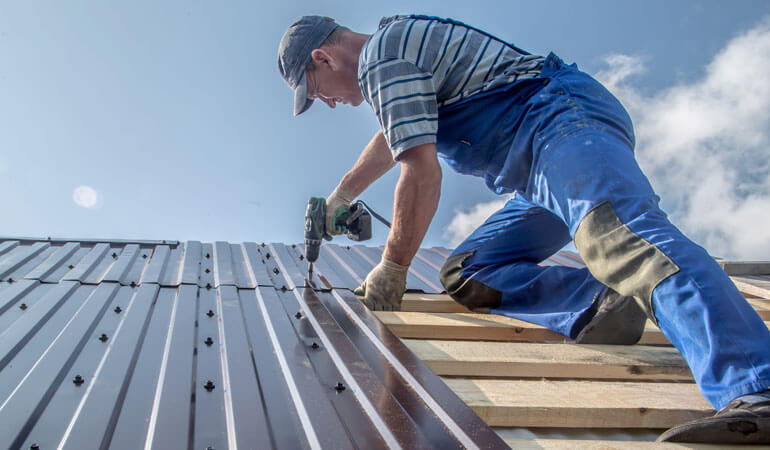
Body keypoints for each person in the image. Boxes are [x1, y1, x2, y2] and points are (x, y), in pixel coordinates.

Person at [277, 14, 770, 443]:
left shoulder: (382, 57)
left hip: (561, 123)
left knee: (620, 237)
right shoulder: (394, 62)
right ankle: (601, 302)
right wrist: (342, 195)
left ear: (323, 57)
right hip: (537, 171)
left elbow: (420, 169)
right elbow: (394, 134)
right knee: (470, 270)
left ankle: (755, 386)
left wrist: (394, 265)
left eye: (316, 91)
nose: (328, 102)